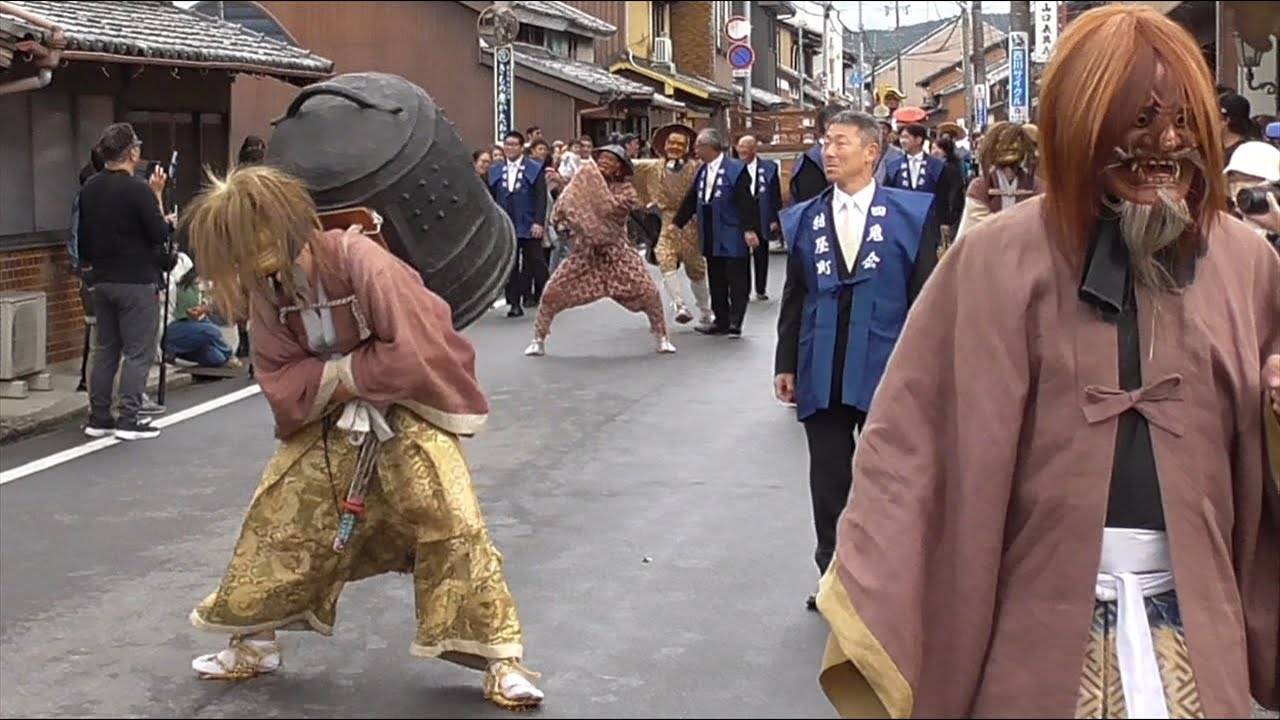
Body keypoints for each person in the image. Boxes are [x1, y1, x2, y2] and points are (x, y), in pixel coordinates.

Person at [814, 6, 1279, 717]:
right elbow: (914, 438)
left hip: (1198, 616)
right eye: (1142, 120)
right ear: (1080, 126)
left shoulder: (1245, 260)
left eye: (1186, 120)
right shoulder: (996, 258)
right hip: (1035, 621)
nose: (1169, 143)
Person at [181, 164, 544, 711]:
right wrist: (345, 381)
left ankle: (501, 658)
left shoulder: (360, 259)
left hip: (407, 404)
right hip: (332, 412)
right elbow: (278, 374)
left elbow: (412, 346)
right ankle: (256, 641)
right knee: (280, 510)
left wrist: (351, 376)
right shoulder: (268, 291)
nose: (271, 277)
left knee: (450, 515)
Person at [773, 109, 938, 611]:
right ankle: (834, 578)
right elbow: (795, 294)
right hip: (821, 363)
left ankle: (890, 578)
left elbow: (926, 295)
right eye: (826, 142)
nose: (830, 151)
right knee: (827, 477)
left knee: (891, 476)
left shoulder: (911, 214)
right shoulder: (805, 218)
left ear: (872, 152)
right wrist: (786, 363)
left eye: (842, 142)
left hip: (887, 364)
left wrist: (928, 370)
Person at [524, 145, 676, 357]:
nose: (605, 162)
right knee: (552, 292)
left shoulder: (626, 192)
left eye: (611, 161)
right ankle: (538, 339)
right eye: (602, 158)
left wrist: (589, 188)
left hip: (616, 251)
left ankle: (661, 337)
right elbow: (566, 203)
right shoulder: (583, 183)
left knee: (649, 292)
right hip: (585, 252)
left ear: (619, 168)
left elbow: (609, 208)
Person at [78, 122, 173, 440]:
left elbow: (83, 239)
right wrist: (161, 206)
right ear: (132, 152)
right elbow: (159, 233)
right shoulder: (137, 189)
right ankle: (128, 418)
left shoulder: (89, 187)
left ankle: (99, 416)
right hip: (136, 281)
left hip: (102, 279)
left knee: (107, 349)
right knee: (137, 351)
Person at [673, 128, 761, 337]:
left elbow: (747, 201)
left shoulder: (736, 169)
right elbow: (692, 199)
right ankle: (720, 320)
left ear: (709, 147)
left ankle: (735, 321)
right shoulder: (702, 171)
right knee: (716, 278)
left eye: (698, 146)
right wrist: (677, 223)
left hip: (732, 231)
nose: (695, 150)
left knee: (737, 279)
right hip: (711, 231)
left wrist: (750, 229)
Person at [632, 123, 714, 327]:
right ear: (664, 145)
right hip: (667, 221)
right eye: (671, 143)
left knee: (696, 267)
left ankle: (705, 310)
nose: (675, 147)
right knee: (664, 257)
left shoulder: (697, 168)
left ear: (688, 147)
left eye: (680, 144)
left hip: (691, 221)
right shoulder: (652, 167)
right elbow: (627, 166)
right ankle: (679, 304)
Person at [488, 130, 548, 316]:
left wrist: (539, 222)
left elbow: (541, 197)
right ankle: (514, 303)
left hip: (528, 221)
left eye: (514, 144)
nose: (510, 148)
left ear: (522, 148)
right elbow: (490, 196)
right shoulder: (496, 169)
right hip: (506, 222)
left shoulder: (534, 168)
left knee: (536, 261)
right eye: (507, 144)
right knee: (510, 265)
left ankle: (548, 295)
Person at [954, 120, 1044, 242]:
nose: (1010, 147)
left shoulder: (1037, 186)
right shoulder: (981, 187)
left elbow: (1043, 226)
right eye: (1004, 143)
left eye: (1014, 142)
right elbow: (976, 229)